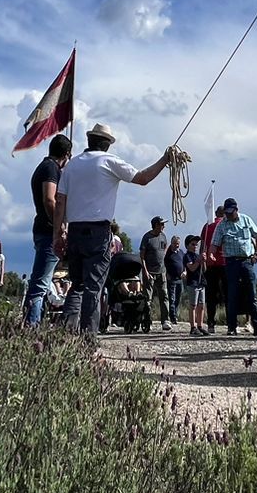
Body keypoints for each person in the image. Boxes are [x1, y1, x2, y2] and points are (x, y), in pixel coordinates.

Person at [53, 124, 178, 336]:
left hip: (74, 230)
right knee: (94, 287)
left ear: (90, 140)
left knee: (77, 285)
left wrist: (58, 233)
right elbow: (143, 178)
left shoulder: (71, 166)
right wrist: (165, 159)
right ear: (107, 144)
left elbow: (60, 201)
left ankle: (65, 335)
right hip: (98, 231)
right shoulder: (109, 162)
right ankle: (87, 340)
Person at [24, 134, 72, 327]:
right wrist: (60, 226)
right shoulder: (51, 169)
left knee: (39, 281)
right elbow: (49, 199)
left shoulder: (43, 167)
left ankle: (31, 321)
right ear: (67, 154)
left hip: (42, 228)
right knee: (41, 283)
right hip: (48, 230)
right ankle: (32, 325)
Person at [213, 198, 257, 336]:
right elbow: (215, 243)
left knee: (252, 295)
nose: (229, 215)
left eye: (231, 212)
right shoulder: (222, 225)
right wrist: (211, 254)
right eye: (227, 212)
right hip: (230, 263)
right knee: (232, 295)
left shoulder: (246, 220)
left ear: (236, 210)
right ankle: (231, 327)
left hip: (247, 261)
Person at [140, 217, 172, 330]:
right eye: (162, 224)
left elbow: (165, 249)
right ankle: (147, 319)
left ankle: (165, 320)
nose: (164, 226)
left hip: (161, 271)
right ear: (156, 225)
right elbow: (142, 256)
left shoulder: (163, 236)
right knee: (147, 298)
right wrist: (145, 271)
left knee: (164, 296)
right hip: (149, 272)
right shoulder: (147, 237)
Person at [183, 235, 209, 336]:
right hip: (193, 282)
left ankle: (200, 325)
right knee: (193, 305)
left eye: (196, 245)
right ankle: (193, 327)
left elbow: (204, 270)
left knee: (201, 305)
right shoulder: (187, 256)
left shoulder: (197, 255)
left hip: (201, 282)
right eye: (193, 244)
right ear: (187, 245)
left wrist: (204, 261)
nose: (195, 246)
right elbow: (192, 268)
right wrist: (199, 260)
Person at [165, 235, 185, 324]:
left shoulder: (181, 252)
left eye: (178, 243)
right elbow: (163, 264)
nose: (176, 245)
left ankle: (175, 314)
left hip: (180, 279)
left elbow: (185, 263)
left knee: (178, 298)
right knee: (172, 298)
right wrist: (166, 274)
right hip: (171, 279)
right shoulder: (168, 253)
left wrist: (185, 272)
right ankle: (172, 317)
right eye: (174, 243)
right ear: (171, 243)